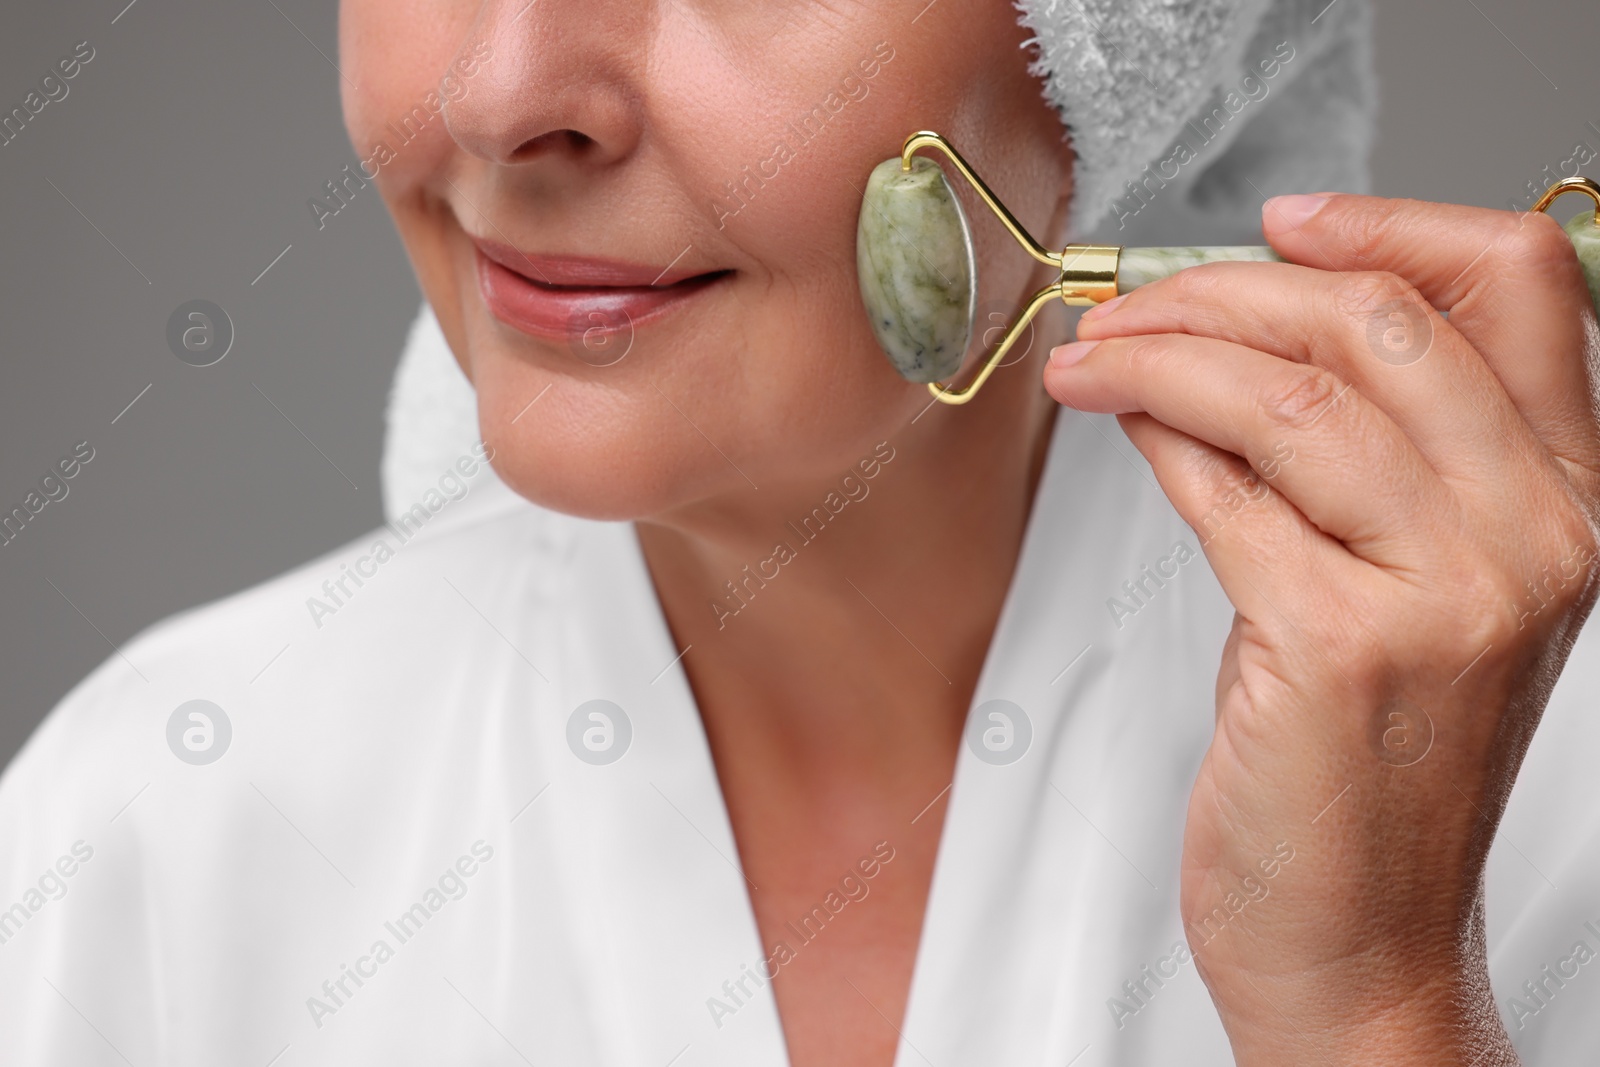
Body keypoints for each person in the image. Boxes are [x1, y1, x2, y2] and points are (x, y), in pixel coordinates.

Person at [3, 0, 1598, 1063]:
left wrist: (1376, 1010)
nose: (499, 100)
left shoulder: (1556, 793)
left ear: (1126, 45)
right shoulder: (160, 821)